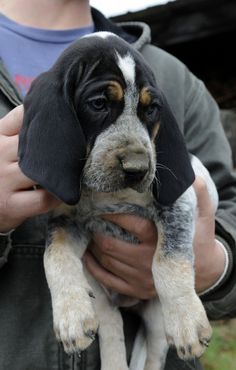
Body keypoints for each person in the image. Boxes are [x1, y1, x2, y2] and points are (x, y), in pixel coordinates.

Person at [0, 1, 235, 369]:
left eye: (148, 109)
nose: (135, 157)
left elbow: (228, 201)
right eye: (98, 103)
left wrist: (216, 264)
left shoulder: (177, 79)